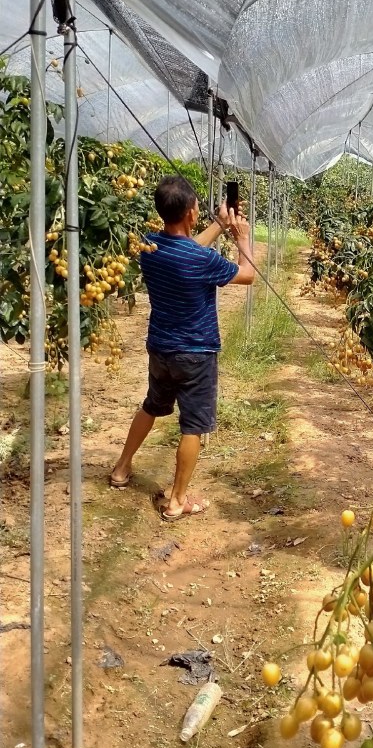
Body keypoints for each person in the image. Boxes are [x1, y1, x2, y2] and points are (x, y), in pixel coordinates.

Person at [109, 174, 254, 520]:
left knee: (152, 405)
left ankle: (121, 468)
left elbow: (189, 249)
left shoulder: (149, 247)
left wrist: (219, 225)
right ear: (190, 213)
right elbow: (247, 274)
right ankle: (177, 501)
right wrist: (243, 238)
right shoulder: (201, 261)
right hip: (196, 353)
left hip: (161, 348)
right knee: (193, 426)